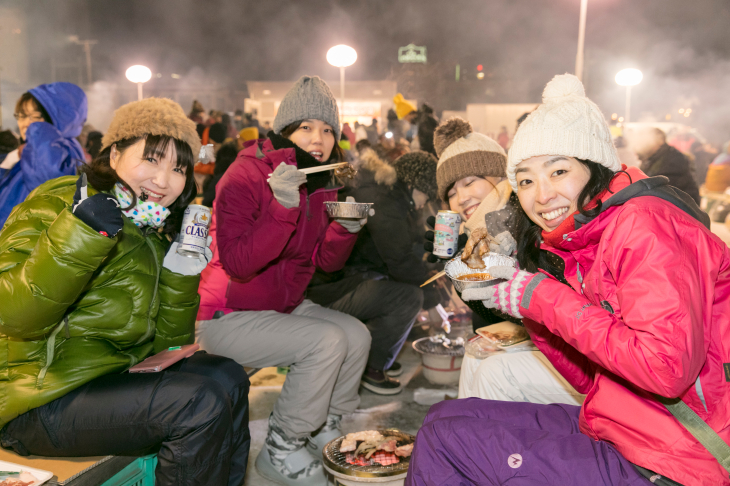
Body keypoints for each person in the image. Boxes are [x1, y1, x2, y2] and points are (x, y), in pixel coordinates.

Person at [407, 74, 729, 486]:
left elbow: (666, 370)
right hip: (629, 421)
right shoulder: (581, 238)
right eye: (525, 180)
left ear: (595, 167)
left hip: (683, 455)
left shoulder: (644, 224)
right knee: (441, 417)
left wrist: (538, 295)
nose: (540, 195)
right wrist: (525, 302)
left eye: (558, 171)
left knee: (444, 442)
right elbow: (585, 375)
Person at [0, 97, 250, 486]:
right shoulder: (58, 202)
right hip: (37, 398)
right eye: (151, 159)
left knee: (228, 376)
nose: (164, 181)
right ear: (115, 154)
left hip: (108, 383)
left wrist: (180, 276)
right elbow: (13, 316)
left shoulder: (150, 230)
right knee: (198, 404)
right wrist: (80, 235)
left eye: (178, 168)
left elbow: (167, 352)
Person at [195, 76, 371, 486]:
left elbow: (324, 263)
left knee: (356, 334)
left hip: (281, 306)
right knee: (325, 341)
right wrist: (281, 206)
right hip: (225, 314)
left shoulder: (321, 182)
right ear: (284, 131)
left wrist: (346, 228)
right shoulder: (244, 176)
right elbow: (238, 263)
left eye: (328, 129)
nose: (319, 138)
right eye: (306, 127)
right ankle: (282, 445)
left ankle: (325, 424)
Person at [424, 117, 583, 406]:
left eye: (470, 182)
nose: (461, 197)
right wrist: (462, 264)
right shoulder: (480, 228)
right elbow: (484, 309)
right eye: (451, 193)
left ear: (500, 176)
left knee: (489, 369)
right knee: (476, 352)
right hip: (542, 339)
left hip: (574, 348)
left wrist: (475, 268)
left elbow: (539, 297)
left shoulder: (528, 215)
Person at [308, 149, 443, 395]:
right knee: (410, 297)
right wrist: (433, 300)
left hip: (341, 279)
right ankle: (372, 367)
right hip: (330, 289)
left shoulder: (386, 193)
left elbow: (401, 249)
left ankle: (377, 353)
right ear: (413, 184)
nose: (427, 202)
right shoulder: (385, 201)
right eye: (427, 194)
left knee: (405, 287)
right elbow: (399, 260)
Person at [0, 82, 87, 227]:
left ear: (60, 118)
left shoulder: (61, 151)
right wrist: (11, 159)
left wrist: (38, 134)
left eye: (35, 117)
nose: (26, 123)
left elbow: (45, 182)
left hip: (29, 244)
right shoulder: (30, 152)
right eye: (21, 116)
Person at [633, 126, 701, 204]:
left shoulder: (674, 158)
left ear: (660, 140)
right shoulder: (652, 159)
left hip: (681, 210)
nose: (643, 144)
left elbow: (659, 189)